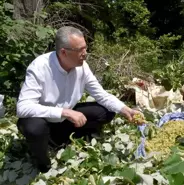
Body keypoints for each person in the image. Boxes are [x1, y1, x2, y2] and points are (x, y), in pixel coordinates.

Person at [16, 26, 142, 173]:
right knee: (34, 128)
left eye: (85, 48)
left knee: (107, 111)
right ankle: (44, 164)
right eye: (80, 50)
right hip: (46, 121)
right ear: (64, 52)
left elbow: (101, 95)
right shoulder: (40, 67)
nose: (85, 54)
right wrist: (65, 112)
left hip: (66, 121)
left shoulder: (82, 67)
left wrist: (125, 109)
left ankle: (61, 140)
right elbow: (23, 108)